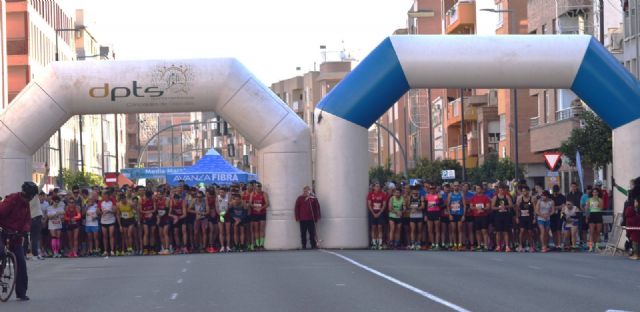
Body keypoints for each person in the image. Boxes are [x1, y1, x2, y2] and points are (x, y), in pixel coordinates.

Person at [0, 181, 39, 301]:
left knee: (21, 262)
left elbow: (27, 220)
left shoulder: (26, 204)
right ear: (25, 194)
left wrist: (24, 231)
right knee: (0, 252)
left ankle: (21, 292)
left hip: (15, 233)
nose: (29, 199)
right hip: (2, 229)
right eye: (29, 196)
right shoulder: (12, 199)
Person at [492, 184, 514, 252]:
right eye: (500, 190)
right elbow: (492, 207)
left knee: (505, 231)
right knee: (498, 232)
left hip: (505, 215)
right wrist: (498, 207)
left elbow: (511, 205)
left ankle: (507, 246)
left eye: (502, 190)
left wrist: (505, 207)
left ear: (504, 190)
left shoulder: (506, 196)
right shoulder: (495, 197)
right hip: (498, 216)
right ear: (498, 190)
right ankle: (498, 246)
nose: (501, 191)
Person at [515, 186, 536, 252]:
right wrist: (517, 217)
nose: (524, 192)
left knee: (530, 232)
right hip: (522, 217)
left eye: (526, 191)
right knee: (522, 231)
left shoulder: (532, 199)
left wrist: (535, 218)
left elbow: (534, 209)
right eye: (523, 191)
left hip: (529, 217)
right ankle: (521, 245)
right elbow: (517, 209)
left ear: (528, 191)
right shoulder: (519, 199)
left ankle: (531, 246)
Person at [470, 185, 491, 251]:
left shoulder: (485, 197)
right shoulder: (473, 197)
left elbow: (488, 207)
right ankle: (479, 245)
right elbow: (471, 206)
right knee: (477, 231)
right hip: (476, 216)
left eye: (479, 188)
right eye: (476, 189)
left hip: (484, 216)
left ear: (481, 189)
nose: (477, 190)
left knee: (484, 231)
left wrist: (483, 209)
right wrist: (476, 208)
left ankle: (486, 245)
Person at [249, 183, 269, 251]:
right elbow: (250, 203)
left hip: (262, 213)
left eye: (260, 187)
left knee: (262, 229)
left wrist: (261, 208)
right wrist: (254, 207)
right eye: (257, 187)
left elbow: (267, 203)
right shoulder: (252, 194)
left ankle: (261, 244)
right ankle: (257, 245)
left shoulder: (264, 194)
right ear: (255, 188)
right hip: (255, 213)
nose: (259, 189)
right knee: (256, 229)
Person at [367, 183, 387, 250]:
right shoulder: (370, 194)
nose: (377, 188)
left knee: (379, 227)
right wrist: (373, 213)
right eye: (376, 186)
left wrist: (379, 213)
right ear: (374, 188)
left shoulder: (383, 194)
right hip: (372, 212)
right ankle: (374, 243)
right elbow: (369, 204)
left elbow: (384, 205)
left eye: (379, 186)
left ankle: (380, 243)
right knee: (373, 227)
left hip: (380, 213)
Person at [447, 182, 466, 251]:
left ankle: (460, 245)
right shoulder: (450, 194)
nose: (456, 187)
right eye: (455, 186)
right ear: (453, 187)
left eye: (457, 186)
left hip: (460, 213)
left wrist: (464, 215)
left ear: (459, 186)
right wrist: (449, 214)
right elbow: (448, 205)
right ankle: (455, 245)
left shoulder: (461, 194)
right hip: (453, 214)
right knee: (453, 230)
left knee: (460, 229)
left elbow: (464, 205)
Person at [99, 190, 118, 257]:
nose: (105, 197)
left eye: (106, 196)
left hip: (111, 220)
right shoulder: (101, 202)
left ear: (108, 196)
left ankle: (112, 250)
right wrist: (101, 212)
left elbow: (115, 210)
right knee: (104, 236)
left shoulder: (112, 201)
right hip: (103, 220)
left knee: (111, 235)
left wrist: (109, 211)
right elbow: (98, 211)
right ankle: (105, 250)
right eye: (104, 196)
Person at [425, 185, 443, 250]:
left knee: (437, 230)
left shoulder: (438, 195)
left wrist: (440, 199)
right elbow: (425, 206)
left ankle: (437, 244)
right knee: (430, 230)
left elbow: (442, 204)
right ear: (429, 190)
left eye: (433, 189)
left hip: (436, 213)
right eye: (431, 189)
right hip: (429, 214)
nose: (432, 190)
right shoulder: (427, 196)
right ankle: (432, 244)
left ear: (435, 190)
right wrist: (425, 215)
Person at [140, 190, 157, 255]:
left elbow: (155, 209)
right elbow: (140, 210)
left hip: (152, 218)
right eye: (148, 197)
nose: (148, 199)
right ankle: (145, 249)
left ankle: (152, 249)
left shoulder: (153, 200)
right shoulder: (141, 200)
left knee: (152, 233)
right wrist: (147, 213)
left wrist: (150, 212)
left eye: (149, 197)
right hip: (145, 218)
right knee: (146, 233)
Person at [549, 185, 566, 250]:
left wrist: (554, 207)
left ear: (559, 190)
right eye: (554, 191)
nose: (555, 192)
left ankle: (559, 245)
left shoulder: (562, 197)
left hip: (560, 214)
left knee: (559, 229)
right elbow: (550, 206)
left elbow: (563, 206)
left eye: (556, 191)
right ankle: (555, 245)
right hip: (552, 215)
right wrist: (557, 207)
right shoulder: (550, 196)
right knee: (553, 230)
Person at [206, 188, 219, 253]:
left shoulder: (216, 197)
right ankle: (211, 246)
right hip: (209, 215)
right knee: (211, 230)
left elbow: (217, 206)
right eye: (210, 196)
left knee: (216, 231)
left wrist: (215, 211)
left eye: (212, 196)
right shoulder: (206, 198)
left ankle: (212, 244)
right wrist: (211, 211)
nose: (211, 197)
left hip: (216, 214)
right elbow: (207, 207)